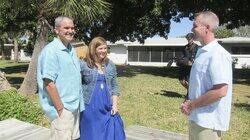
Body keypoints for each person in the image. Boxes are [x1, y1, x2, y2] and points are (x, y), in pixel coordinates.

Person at [180, 11, 233, 140]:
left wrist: (192, 105)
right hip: (197, 118)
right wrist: (189, 101)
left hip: (208, 123)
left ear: (207, 28)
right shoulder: (202, 52)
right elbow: (200, 84)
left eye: (195, 25)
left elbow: (220, 91)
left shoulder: (217, 54)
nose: (192, 29)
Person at [37, 16, 84, 140]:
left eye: (72, 28)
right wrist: (60, 109)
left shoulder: (71, 49)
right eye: (66, 28)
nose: (71, 30)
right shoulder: (51, 51)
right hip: (63, 109)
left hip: (75, 106)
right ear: (57, 30)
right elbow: (49, 83)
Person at [79, 37, 125, 140]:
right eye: (100, 48)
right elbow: (76, 85)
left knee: (111, 132)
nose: (104, 51)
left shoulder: (110, 64)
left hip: (107, 105)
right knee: (92, 133)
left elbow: (114, 86)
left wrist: (115, 105)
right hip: (89, 106)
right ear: (93, 49)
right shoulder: (83, 64)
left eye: (105, 48)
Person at [177, 33, 199, 99]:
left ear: (192, 39)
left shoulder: (196, 46)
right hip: (184, 65)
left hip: (190, 66)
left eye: (189, 38)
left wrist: (190, 61)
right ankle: (189, 91)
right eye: (187, 39)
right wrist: (179, 60)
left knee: (189, 81)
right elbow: (182, 55)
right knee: (181, 80)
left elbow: (194, 56)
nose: (188, 40)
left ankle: (190, 93)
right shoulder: (185, 47)